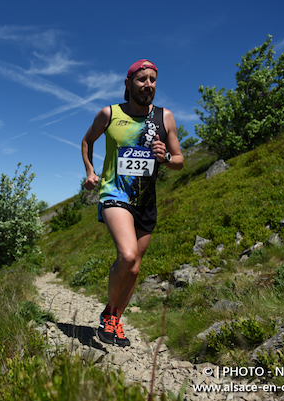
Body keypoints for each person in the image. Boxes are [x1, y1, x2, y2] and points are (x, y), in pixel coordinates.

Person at [81, 59, 184, 347]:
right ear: (128, 84)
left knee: (135, 268)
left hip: (146, 200)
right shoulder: (109, 114)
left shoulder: (165, 118)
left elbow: (179, 161)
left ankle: (114, 317)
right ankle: (108, 318)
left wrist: (165, 157)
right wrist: (90, 171)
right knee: (126, 256)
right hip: (115, 195)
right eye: (142, 79)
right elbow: (87, 141)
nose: (148, 84)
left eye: (152, 79)